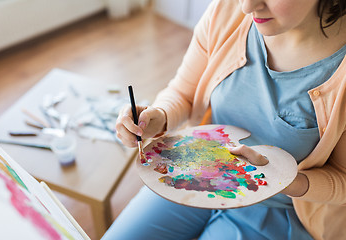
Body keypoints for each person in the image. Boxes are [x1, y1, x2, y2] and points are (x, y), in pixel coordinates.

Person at [103, 0, 346, 239]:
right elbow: (183, 92)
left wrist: (281, 179)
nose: (246, 7)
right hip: (197, 170)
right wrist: (158, 116)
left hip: (278, 210)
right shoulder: (226, 11)